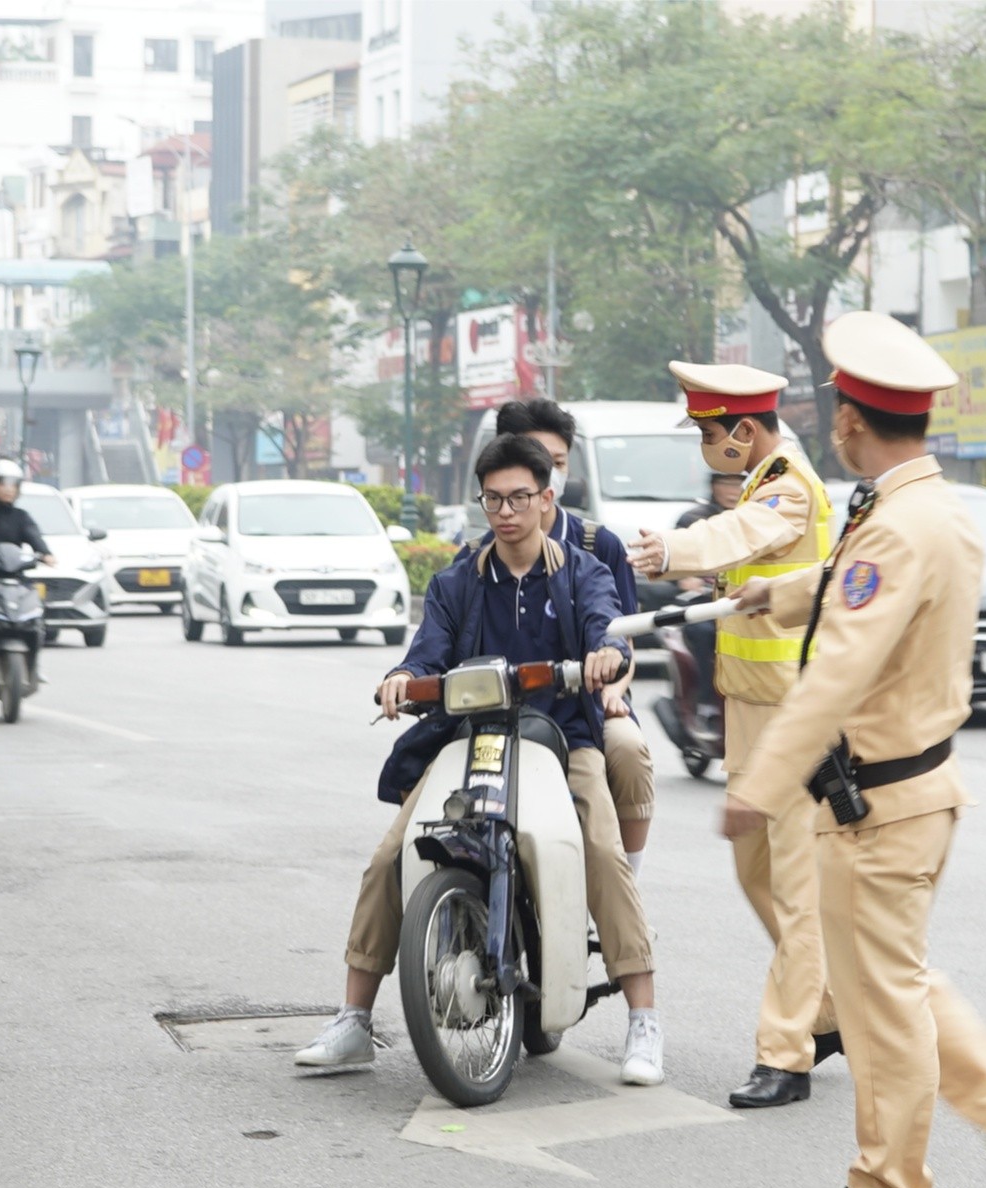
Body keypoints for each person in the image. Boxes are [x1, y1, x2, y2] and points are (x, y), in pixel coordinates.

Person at [722, 312, 986, 1188]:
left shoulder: (891, 526)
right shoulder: (930, 511)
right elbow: (859, 589)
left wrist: (758, 782)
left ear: (846, 422)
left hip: (873, 802)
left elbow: (836, 669)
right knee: (899, 985)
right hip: (915, 790)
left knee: (882, 1015)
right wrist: (782, 589)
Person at [293, 432, 666, 1086]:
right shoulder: (457, 581)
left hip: (562, 740)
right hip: (466, 742)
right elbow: (424, 652)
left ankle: (644, 1021)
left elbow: (608, 629)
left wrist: (607, 655)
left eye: (519, 497)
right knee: (389, 856)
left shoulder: (584, 574)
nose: (505, 511)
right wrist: (400, 678)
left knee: (602, 852)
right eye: (492, 499)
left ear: (547, 499)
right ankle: (353, 1018)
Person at [636, 360, 846, 1111]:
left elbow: (742, 533)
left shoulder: (786, 483)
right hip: (752, 709)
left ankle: (786, 1053)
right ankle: (825, 1008)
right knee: (753, 869)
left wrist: (674, 550)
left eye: (707, 431)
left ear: (745, 431)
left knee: (791, 885)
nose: (703, 444)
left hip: (794, 712)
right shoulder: (760, 479)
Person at [495, 397, 660, 868]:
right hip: (504, 706)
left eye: (559, 463)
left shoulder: (596, 545)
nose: (548, 473)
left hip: (586, 704)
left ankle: (626, 881)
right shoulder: (479, 552)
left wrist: (613, 690)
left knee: (627, 749)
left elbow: (620, 634)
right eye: (536, 461)